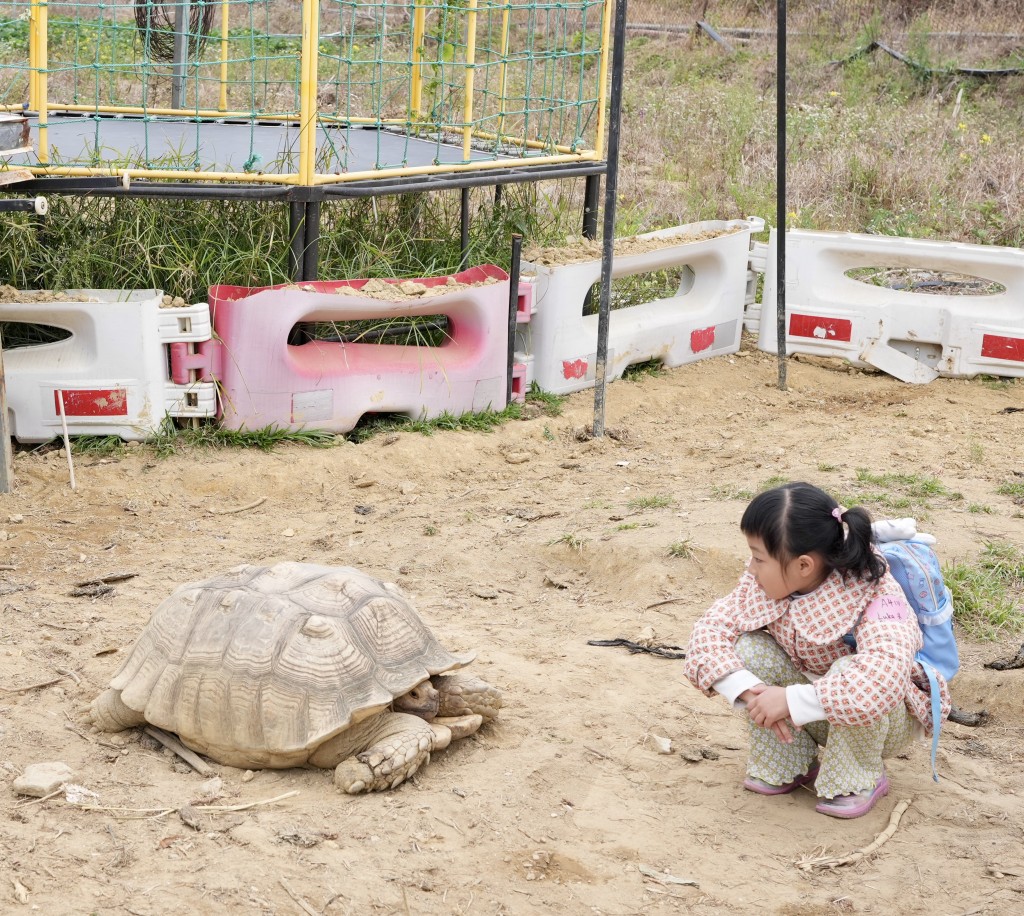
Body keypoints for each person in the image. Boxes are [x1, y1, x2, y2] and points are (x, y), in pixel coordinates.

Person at [683, 481, 950, 819]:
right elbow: (709, 630)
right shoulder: (762, 582)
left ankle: (857, 777)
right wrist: (750, 693)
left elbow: (880, 683)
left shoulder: (876, 591)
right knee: (747, 647)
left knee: (849, 669)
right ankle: (788, 761)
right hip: (811, 711)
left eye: (758, 558)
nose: (750, 568)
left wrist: (790, 700)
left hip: (883, 720)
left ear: (804, 565)